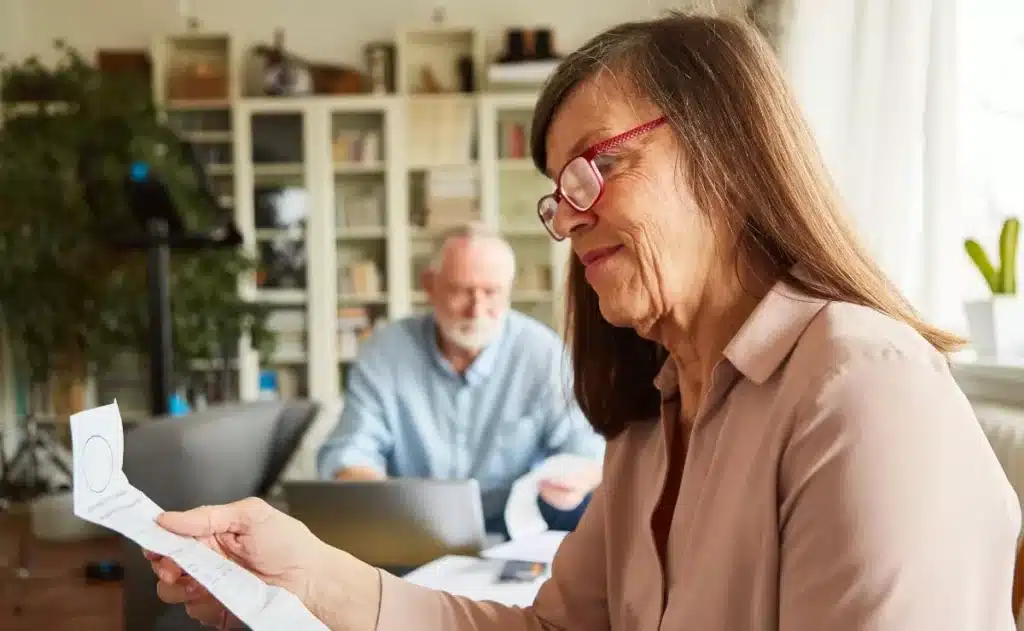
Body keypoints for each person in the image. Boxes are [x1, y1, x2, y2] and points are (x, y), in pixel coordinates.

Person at [147, 13, 1020, 631]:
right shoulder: (651, 421)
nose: (568, 218)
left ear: (727, 145)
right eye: (558, 193)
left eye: (598, 166)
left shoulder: (862, 388)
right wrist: (311, 577)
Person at [316, 222, 604, 534]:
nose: (477, 309)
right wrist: (374, 493)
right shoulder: (386, 351)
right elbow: (350, 452)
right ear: (430, 285)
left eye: (491, 293)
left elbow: (586, 449)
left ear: (509, 290)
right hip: (413, 528)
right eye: (461, 291)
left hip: (515, 528)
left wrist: (575, 477)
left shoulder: (541, 352)